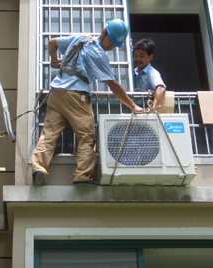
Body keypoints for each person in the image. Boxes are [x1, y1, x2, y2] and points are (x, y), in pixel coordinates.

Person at [32, 19, 144, 186]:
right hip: (76, 96)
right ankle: (82, 177)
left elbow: (52, 42)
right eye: (111, 42)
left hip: (56, 93)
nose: (111, 47)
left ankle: (38, 169)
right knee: (87, 136)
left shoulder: (81, 38)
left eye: (115, 45)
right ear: (104, 32)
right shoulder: (98, 54)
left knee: (49, 133)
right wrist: (133, 106)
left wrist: (54, 59)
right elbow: (113, 85)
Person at [133, 38, 166, 108]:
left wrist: (153, 109)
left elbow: (161, 89)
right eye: (136, 56)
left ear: (150, 57)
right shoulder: (132, 73)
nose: (138, 59)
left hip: (147, 111)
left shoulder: (151, 72)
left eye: (142, 56)